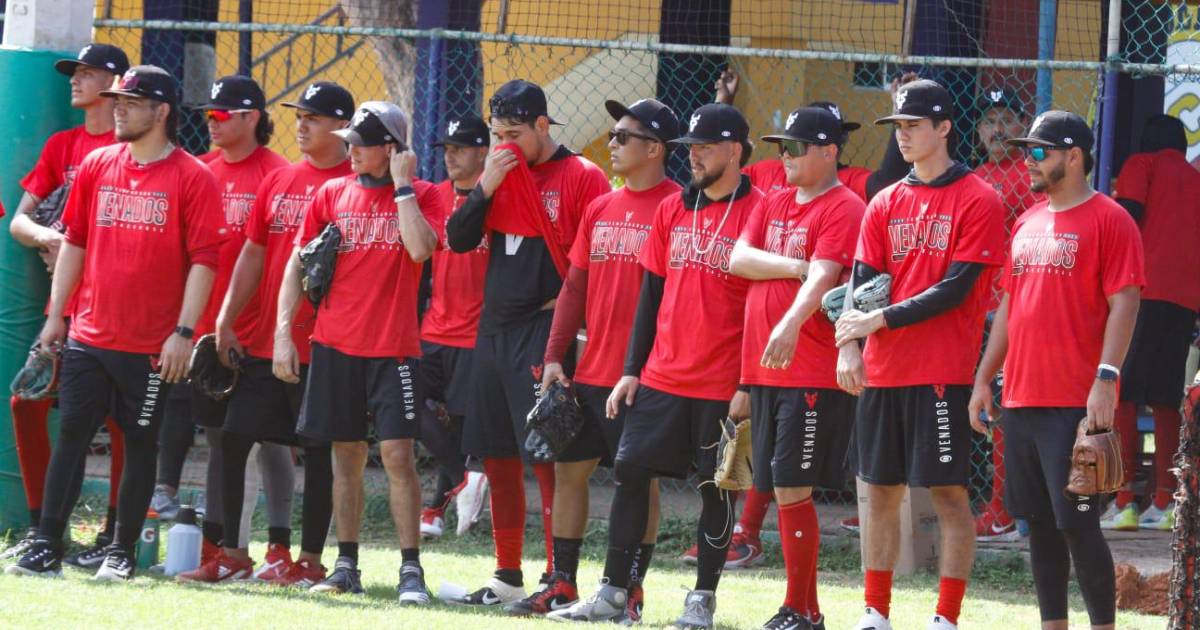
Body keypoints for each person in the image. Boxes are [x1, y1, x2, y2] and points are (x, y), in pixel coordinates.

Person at [5, 65, 222, 581]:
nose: (118, 109)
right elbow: (75, 242)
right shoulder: (98, 164)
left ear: (161, 111)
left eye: (130, 102)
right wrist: (57, 316)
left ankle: (121, 549)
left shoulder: (193, 176)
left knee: (141, 443)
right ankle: (46, 544)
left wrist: (183, 333)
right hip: (89, 334)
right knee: (72, 436)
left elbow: (205, 260)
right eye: (117, 100)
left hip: (150, 344)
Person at [550, 103, 762, 629]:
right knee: (630, 473)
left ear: (735, 151)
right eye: (690, 148)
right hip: (663, 375)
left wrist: (749, 382)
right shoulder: (674, 209)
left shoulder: (761, 211)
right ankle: (612, 593)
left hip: (722, 382)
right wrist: (632, 370)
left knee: (717, 487)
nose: (694, 157)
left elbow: (766, 307)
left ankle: (702, 600)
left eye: (705, 148)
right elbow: (651, 295)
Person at [835, 79, 1005, 630]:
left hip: (941, 372)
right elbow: (863, 282)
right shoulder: (885, 202)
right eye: (898, 127)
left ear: (944, 128)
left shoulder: (978, 197)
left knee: (949, 494)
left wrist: (878, 321)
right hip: (883, 370)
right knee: (880, 492)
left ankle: (945, 618)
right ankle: (875, 613)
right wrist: (851, 344)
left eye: (913, 126)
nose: (902, 136)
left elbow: (955, 289)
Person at [175, 81, 355, 586]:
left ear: (342, 128)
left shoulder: (354, 184)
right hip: (265, 340)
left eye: (313, 118)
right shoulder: (281, 180)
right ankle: (234, 553)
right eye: (299, 116)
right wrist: (225, 319)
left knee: (317, 450)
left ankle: (310, 560)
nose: (301, 125)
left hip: (325, 343)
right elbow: (253, 253)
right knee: (234, 439)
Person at [507, 98, 680, 620]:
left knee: (639, 480)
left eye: (624, 136)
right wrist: (554, 356)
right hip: (592, 368)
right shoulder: (601, 207)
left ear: (655, 148)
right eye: (612, 134)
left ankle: (630, 588)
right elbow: (574, 287)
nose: (613, 143)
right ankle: (561, 582)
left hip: (645, 373)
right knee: (568, 472)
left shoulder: (678, 206)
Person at [970, 110, 1142, 630]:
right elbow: (1009, 306)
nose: (1028, 160)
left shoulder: (1110, 218)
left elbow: (1125, 301)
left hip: (1074, 401)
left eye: (1039, 152)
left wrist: (1106, 378)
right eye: (1027, 151)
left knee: (1078, 527)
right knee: (1040, 528)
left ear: (1074, 156)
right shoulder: (1026, 221)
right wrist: (983, 378)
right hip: (1021, 398)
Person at [445, 79, 610, 606]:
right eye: (498, 135)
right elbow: (458, 238)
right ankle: (507, 574)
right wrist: (485, 186)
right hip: (494, 330)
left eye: (514, 134)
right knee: (496, 454)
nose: (505, 145)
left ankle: (558, 578)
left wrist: (567, 320)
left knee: (547, 452)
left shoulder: (582, 175)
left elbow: (595, 260)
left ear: (543, 125)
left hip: (543, 328)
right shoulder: (498, 172)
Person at [281, 102, 439, 603]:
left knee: (398, 456)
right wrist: (284, 333)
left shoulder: (424, 194)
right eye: (347, 142)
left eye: (360, 144)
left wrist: (403, 187)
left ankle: (410, 570)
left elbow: (421, 249)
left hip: (394, 349)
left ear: (390, 149)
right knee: (344, 456)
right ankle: (346, 564)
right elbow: (298, 262)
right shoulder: (331, 193)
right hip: (335, 345)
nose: (349, 151)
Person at [730, 106, 865, 630]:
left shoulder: (844, 206)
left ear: (829, 151)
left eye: (793, 147)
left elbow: (824, 278)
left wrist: (788, 323)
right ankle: (806, 612)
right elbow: (738, 258)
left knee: (792, 486)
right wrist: (795, 265)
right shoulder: (774, 201)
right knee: (782, 485)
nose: (783, 156)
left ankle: (799, 608)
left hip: (808, 367)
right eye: (780, 147)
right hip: (767, 370)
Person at [2, 43, 131, 568]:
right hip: (66, 303)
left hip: (113, 303)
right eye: (73, 72)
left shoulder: (128, 150)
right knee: (26, 402)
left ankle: (114, 535)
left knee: (122, 422)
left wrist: (78, 248)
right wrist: (51, 239)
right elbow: (19, 221)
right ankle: (41, 528)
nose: (76, 79)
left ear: (116, 84)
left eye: (89, 72)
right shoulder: (64, 145)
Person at [168, 75, 295, 579]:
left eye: (221, 114)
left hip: (259, 331)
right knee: (221, 439)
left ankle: (279, 545)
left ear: (251, 117)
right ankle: (220, 545)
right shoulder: (201, 171)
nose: (211, 122)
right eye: (208, 114)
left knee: (274, 440)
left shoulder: (278, 174)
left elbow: (277, 258)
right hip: (208, 329)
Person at [1103, 114, 1200, 532]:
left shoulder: (1141, 164)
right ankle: (1165, 501)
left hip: (1141, 291)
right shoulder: (1195, 178)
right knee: (1165, 397)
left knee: (1123, 392)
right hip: (1185, 298)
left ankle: (1124, 500)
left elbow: (1128, 216)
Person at [970, 86, 1044, 542]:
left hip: (1010, 305)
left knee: (1003, 408)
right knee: (984, 407)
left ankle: (1004, 510)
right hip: (975, 305)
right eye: (988, 121)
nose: (997, 129)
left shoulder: (1029, 173)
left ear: (1022, 126)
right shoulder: (975, 176)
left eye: (1006, 119)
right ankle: (996, 504)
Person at [417, 113, 492, 540]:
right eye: (446, 149)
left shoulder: (495, 197)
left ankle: (436, 509)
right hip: (433, 330)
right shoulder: (435, 197)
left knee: (462, 426)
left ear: (483, 152)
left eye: (459, 148)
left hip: (476, 333)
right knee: (404, 399)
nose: (450, 156)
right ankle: (466, 479)